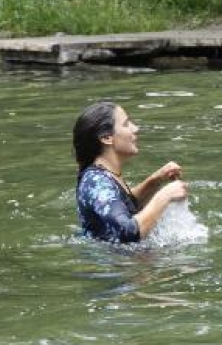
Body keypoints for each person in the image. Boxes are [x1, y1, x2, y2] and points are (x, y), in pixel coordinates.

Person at [72, 101, 188, 243]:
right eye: (126, 124)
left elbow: (125, 206)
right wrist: (165, 196)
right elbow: (127, 232)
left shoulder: (102, 176)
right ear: (106, 138)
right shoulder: (96, 182)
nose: (135, 128)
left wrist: (156, 180)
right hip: (119, 263)